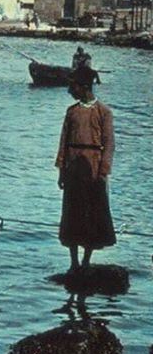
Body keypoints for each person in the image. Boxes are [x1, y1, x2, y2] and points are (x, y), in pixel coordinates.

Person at [55, 66, 115, 273]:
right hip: (73, 169)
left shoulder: (104, 112)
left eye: (73, 87)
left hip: (93, 169)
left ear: (84, 87)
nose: (70, 91)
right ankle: (73, 262)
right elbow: (63, 142)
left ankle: (86, 262)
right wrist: (61, 170)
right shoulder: (72, 112)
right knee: (72, 214)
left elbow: (109, 145)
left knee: (92, 215)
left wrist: (102, 172)